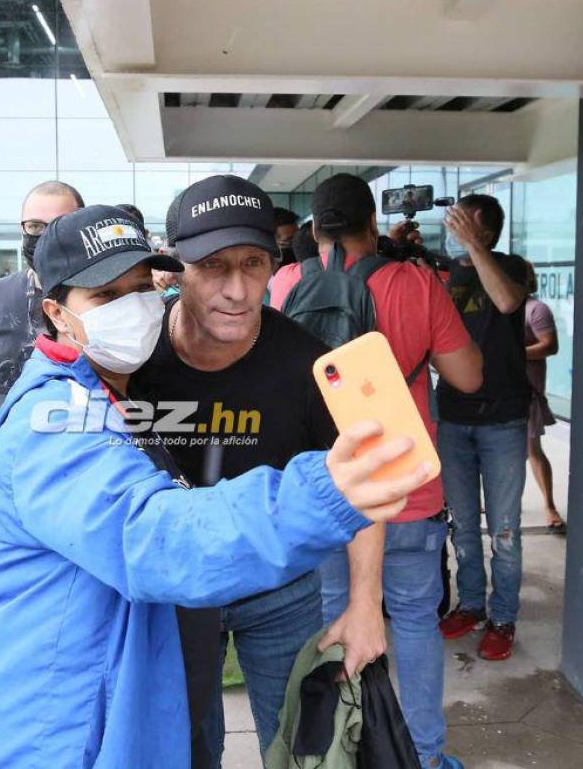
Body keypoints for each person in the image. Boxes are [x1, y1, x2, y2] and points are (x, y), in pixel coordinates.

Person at [0, 204, 431, 768]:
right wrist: (320, 493)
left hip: (120, 690)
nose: (132, 309)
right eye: (106, 297)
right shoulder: (57, 413)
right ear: (59, 313)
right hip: (59, 730)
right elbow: (153, 535)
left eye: (140, 288)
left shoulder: (110, 391)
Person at [133, 175, 390, 765]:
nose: (238, 289)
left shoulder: (308, 362)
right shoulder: (137, 355)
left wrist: (365, 605)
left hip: (280, 587)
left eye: (253, 264)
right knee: (186, 743)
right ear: (176, 271)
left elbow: (365, 481)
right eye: (214, 267)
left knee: (301, 738)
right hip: (177, 584)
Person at [270, 172, 483, 769]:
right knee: (414, 619)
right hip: (406, 491)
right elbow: (468, 377)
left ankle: (342, 752)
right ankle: (423, 756)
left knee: (333, 621)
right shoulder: (415, 283)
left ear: (313, 231)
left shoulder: (286, 282)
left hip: (323, 492)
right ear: (372, 226)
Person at [0, 180, 83, 585]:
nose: (42, 236)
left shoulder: (98, 302)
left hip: (65, 496)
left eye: (57, 225)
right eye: (34, 226)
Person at [435, 193, 532, 662]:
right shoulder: (448, 270)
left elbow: (507, 302)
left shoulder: (515, 266)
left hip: (502, 418)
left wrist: (477, 249)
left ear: (485, 229)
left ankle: (503, 616)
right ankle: (471, 604)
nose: (457, 231)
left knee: (506, 530)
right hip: (452, 417)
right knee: (464, 526)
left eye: (466, 225)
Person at [523, 262, 565, 533]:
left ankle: (549, 506)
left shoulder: (536, 309)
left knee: (532, 450)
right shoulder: (501, 307)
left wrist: (512, 352)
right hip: (500, 391)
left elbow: (550, 345)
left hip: (527, 391)